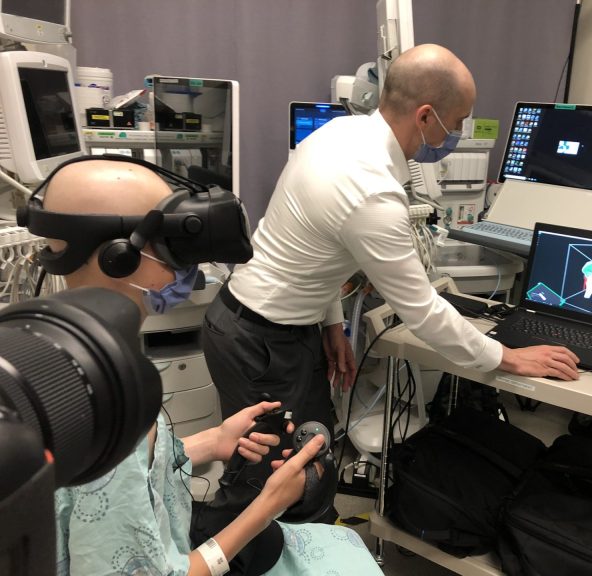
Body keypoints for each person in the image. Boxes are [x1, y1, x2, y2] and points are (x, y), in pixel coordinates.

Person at [202, 43, 580, 502]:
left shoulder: (341, 132)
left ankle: (309, 548)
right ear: (425, 116)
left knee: (312, 457)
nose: (458, 131)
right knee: (266, 483)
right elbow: (422, 311)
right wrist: (508, 357)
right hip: (259, 339)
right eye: (457, 122)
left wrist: (331, 325)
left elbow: (314, 247)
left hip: (274, 326)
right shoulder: (373, 191)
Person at [36, 157, 384, 575]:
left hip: (160, 533)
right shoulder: (114, 407)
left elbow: (114, 487)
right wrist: (267, 505)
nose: (187, 266)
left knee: (266, 544)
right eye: (171, 247)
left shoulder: (64, 351)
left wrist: (210, 442)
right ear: (118, 256)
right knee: (264, 533)